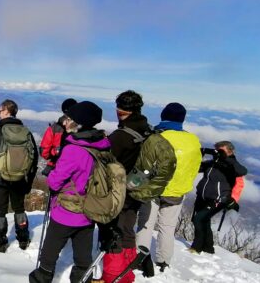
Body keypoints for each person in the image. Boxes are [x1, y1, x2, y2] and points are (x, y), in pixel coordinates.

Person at [29, 101, 110, 283]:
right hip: (90, 210)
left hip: (66, 211)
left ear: (78, 123)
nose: (64, 122)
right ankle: (82, 279)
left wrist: (51, 176)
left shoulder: (74, 150)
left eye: (69, 119)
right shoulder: (103, 145)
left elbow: (55, 182)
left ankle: (42, 277)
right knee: (83, 256)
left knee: (49, 252)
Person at [135, 103, 202, 274]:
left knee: (146, 224)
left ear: (163, 115)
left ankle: (139, 258)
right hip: (177, 191)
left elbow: (145, 164)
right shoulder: (193, 140)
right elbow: (195, 166)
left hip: (154, 189)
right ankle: (164, 261)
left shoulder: (158, 136)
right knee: (168, 227)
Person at [99, 90, 151, 283]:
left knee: (113, 234)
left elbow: (105, 164)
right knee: (127, 230)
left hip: (119, 194)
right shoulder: (148, 130)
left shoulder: (121, 136)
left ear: (120, 110)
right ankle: (126, 274)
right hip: (138, 190)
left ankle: (112, 277)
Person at [0, 99, 39, 252]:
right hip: (20, 179)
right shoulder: (26, 132)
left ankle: (0, 243)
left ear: (7, 111)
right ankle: (23, 239)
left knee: (0, 210)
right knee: (19, 208)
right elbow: (34, 159)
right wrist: (28, 182)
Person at [190, 141, 247, 254]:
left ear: (230, 152)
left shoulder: (232, 165)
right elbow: (195, 168)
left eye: (221, 150)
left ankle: (196, 248)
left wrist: (226, 158)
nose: (218, 153)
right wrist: (199, 155)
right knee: (204, 221)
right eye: (217, 150)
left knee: (199, 219)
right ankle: (208, 248)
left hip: (219, 199)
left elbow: (243, 171)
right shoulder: (213, 163)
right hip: (202, 196)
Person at [39, 98, 78, 176]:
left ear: (63, 110)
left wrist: (55, 151)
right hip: (77, 169)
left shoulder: (54, 128)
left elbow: (44, 153)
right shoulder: (82, 128)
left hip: (56, 167)